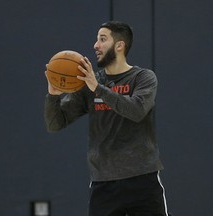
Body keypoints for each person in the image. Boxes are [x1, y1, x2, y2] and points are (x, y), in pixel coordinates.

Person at [44, 21, 169, 216]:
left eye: (102, 39)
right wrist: (52, 96)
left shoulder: (143, 78)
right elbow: (55, 123)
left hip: (143, 180)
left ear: (119, 45)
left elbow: (136, 111)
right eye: (96, 40)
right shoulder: (90, 84)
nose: (96, 45)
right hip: (104, 183)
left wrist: (98, 88)